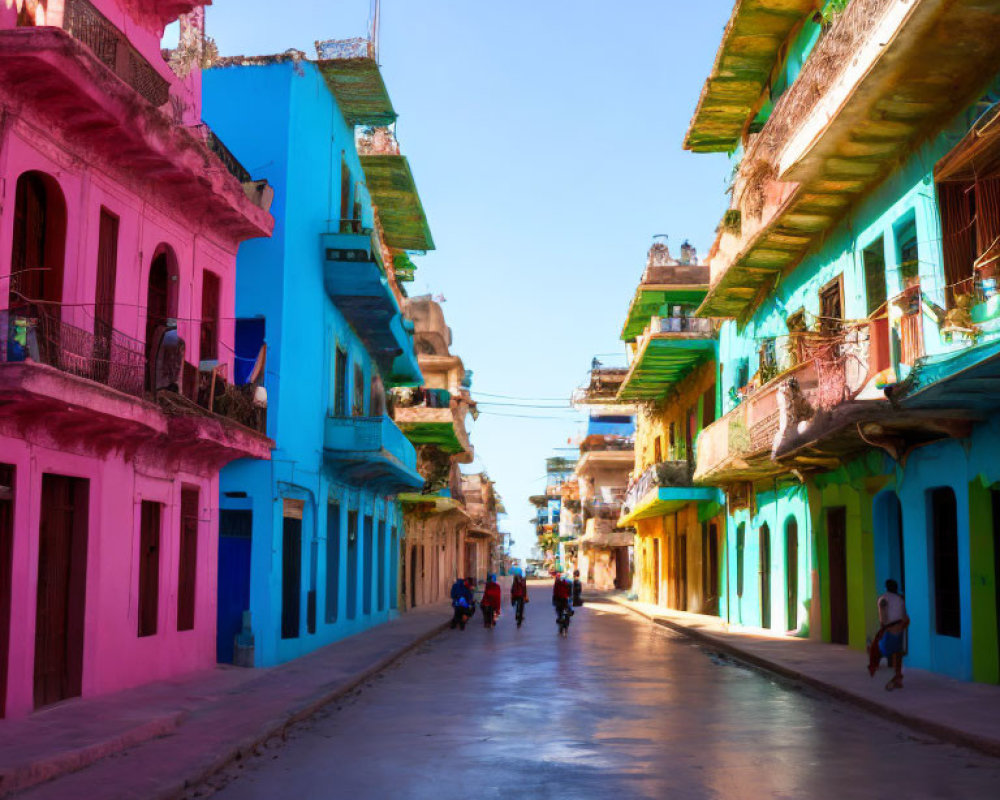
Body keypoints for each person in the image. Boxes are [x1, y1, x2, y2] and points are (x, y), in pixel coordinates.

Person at [870, 579, 909, 690]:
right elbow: (904, 616)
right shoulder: (900, 599)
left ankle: (893, 677)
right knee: (898, 652)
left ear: (886, 587)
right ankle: (898, 676)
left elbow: (883, 617)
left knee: (879, 649)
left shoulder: (883, 599)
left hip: (890, 629)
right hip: (900, 628)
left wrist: (883, 628)